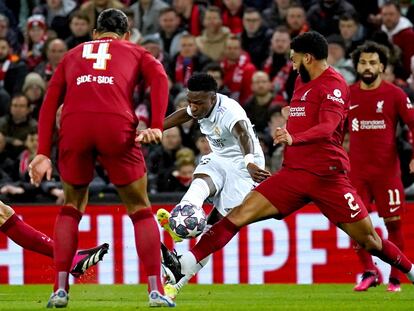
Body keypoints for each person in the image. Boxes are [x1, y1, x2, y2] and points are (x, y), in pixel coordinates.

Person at [160, 31, 414, 299]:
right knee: (236, 216)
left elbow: (328, 127)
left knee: (370, 241)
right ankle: (185, 264)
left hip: (327, 176)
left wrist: (295, 136)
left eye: (294, 60)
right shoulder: (301, 82)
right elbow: (306, 116)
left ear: (308, 58)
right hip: (292, 174)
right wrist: (289, 118)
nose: (291, 65)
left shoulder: (334, 85)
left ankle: (410, 273)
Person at [28, 9, 174, 308]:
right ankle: (156, 291)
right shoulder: (135, 50)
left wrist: (43, 152)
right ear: (127, 34)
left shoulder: (72, 54)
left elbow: (49, 103)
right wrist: (157, 124)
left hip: (75, 126)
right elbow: (159, 76)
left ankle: (60, 289)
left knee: (71, 207)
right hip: (115, 126)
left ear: (95, 33)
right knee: (140, 208)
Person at [156, 72, 270, 297]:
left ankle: (180, 277)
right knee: (200, 182)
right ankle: (180, 221)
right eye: (190, 101)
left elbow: (244, 134)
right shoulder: (199, 104)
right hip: (220, 157)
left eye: (197, 103)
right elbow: (183, 115)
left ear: (213, 97)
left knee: (216, 227)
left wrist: (249, 163)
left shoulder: (230, 111)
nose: (193, 107)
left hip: (245, 168)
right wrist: (154, 127)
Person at [349, 41, 414, 292]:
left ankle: (395, 278)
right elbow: (333, 128)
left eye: (373, 62)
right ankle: (369, 271)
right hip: (357, 172)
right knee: (355, 225)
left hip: (387, 173)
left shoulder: (395, 94)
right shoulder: (347, 94)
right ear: (356, 66)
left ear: (382, 66)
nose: (368, 67)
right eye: (363, 62)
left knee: (393, 225)